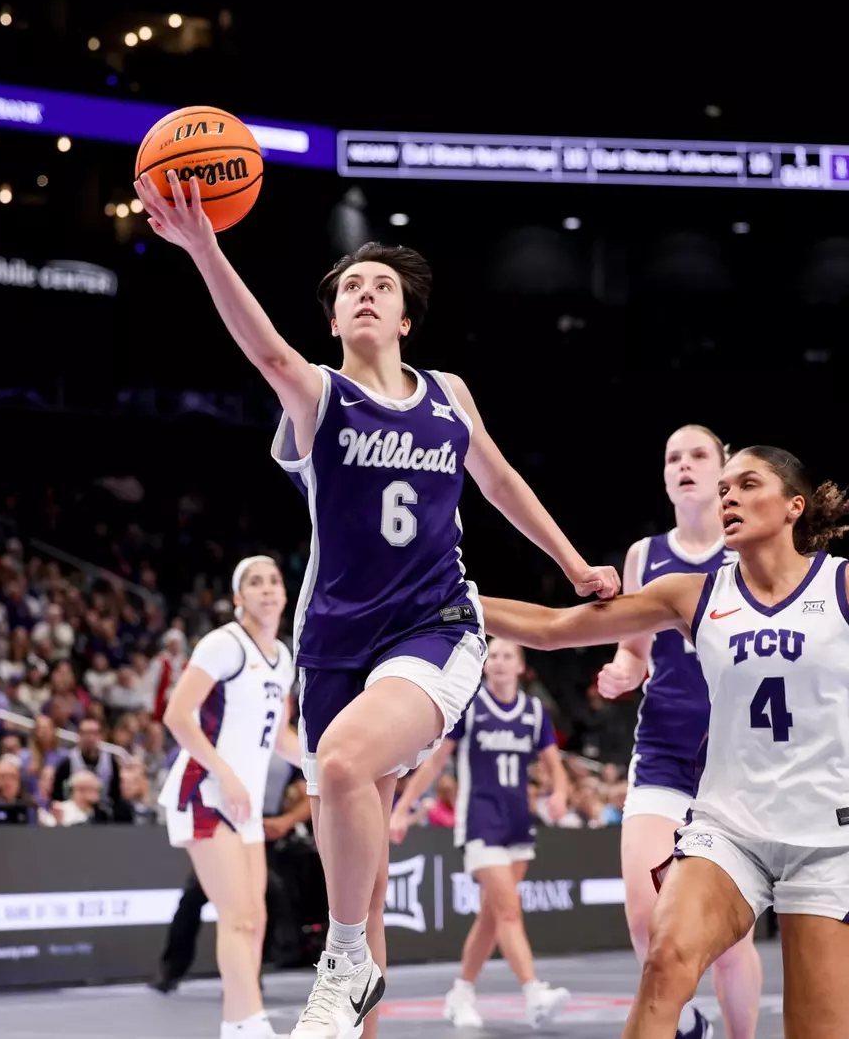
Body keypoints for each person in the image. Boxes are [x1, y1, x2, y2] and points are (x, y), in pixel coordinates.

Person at [135, 170, 617, 1039]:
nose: (365, 293)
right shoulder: (320, 396)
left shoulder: (449, 395)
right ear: (334, 320)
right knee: (363, 853)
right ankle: (356, 981)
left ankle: (341, 957)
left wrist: (575, 562)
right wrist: (206, 251)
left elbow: (500, 482)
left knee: (349, 768)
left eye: (381, 287)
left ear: (404, 319)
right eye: (350, 286)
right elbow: (270, 353)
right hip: (334, 647)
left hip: (431, 623)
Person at [480, 445, 849, 1039]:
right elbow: (552, 629)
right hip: (727, 828)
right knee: (664, 963)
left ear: (792, 507)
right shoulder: (693, 594)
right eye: (723, 487)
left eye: (746, 483)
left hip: (829, 834)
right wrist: (452, 600)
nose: (726, 496)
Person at [594, 425, 762, 1039]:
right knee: (646, 916)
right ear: (665, 477)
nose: (683, 465)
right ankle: (690, 1022)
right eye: (673, 457)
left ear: (721, 473)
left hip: (735, 765)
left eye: (697, 455)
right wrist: (620, 672)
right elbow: (633, 651)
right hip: (663, 754)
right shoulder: (644, 557)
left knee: (727, 935)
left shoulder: (752, 550)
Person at [389, 637, 572, 1029]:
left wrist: (560, 793)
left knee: (492, 916)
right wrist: (402, 810)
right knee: (507, 910)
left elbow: (554, 766)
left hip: (517, 823)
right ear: (486, 665)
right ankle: (534, 992)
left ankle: (460, 993)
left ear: (522, 666)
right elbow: (435, 764)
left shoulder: (534, 712)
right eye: (496, 656)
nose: (502, 662)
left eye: (510, 656)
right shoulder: (471, 707)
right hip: (479, 822)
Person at [158, 556, 300, 1039]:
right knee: (238, 917)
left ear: (284, 593)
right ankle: (249, 1023)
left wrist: (329, 765)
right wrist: (227, 774)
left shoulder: (283, 658)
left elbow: (282, 737)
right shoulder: (223, 644)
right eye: (254, 583)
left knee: (255, 919)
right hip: (205, 790)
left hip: (246, 805)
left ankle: (238, 1023)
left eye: (273, 581)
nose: (266, 589)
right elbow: (178, 716)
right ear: (239, 597)